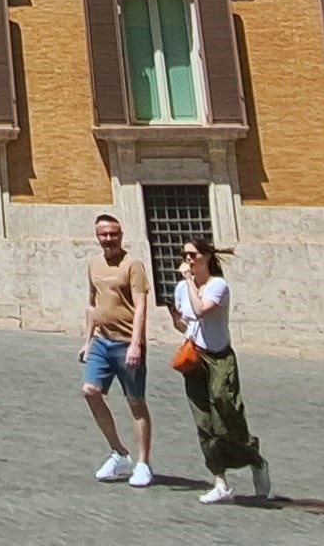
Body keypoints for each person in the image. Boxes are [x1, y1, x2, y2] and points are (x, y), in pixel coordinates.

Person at [173, 239, 267, 506]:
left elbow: (202, 310)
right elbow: (185, 324)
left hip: (220, 357)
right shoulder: (181, 288)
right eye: (184, 255)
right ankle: (220, 481)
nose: (187, 259)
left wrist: (190, 281)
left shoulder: (218, 285)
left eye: (192, 255)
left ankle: (254, 458)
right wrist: (175, 318)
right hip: (195, 357)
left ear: (206, 257)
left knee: (226, 409)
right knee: (203, 421)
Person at [79, 214, 157, 486]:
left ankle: (143, 463)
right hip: (101, 340)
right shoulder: (93, 264)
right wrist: (87, 341)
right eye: (104, 234)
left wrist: (137, 343)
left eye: (113, 234)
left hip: (127, 343)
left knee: (136, 402)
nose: (108, 239)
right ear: (97, 236)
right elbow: (92, 304)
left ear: (121, 235)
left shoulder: (133, 265)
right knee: (90, 391)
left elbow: (141, 305)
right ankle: (119, 452)